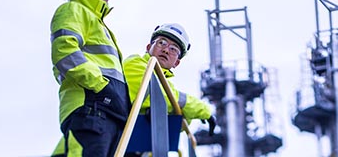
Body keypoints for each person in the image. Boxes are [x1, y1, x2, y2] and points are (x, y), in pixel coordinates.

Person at [52, 24, 216, 156]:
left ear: (177, 63)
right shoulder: (137, 65)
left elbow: (172, 120)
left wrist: (182, 115)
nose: (166, 49)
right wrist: (202, 110)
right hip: (88, 142)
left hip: (120, 144)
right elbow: (165, 97)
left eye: (173, 49)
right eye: (161, 43)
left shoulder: (164, 81)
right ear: (148, 47)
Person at [50, 0, 129, 156]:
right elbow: (65, 53)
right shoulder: (73, 10)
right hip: (90, 109)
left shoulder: (97, 22)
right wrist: (102, 87)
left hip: (106, 114)